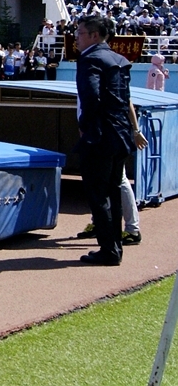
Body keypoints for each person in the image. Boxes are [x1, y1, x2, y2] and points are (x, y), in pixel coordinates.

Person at [73, 16, 147, 266]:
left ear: (94, 35)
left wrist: (85, 127)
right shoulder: (119, 60)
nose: (76, 38)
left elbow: (91, 96)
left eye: (80, 33)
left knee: (99, 194)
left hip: (100, 137)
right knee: (114, 192)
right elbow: (125, 99)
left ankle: (108, 250)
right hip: (120, 135)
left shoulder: (90, 59)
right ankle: (114, 248)